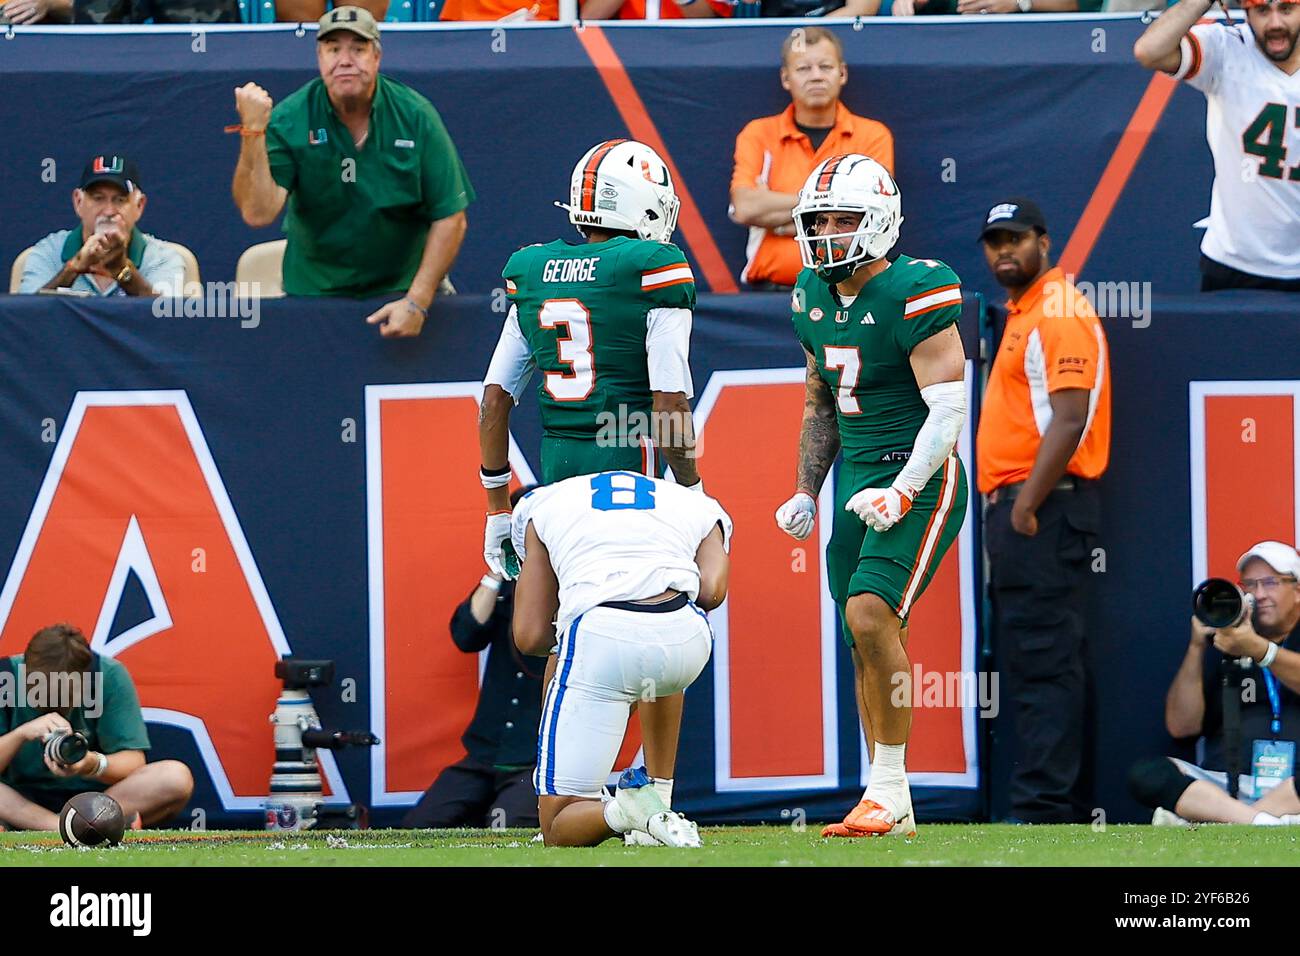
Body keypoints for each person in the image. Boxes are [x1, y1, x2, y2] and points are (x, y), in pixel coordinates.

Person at [478, 138, 700, 840]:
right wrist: (690, 487)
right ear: (643, 208)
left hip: (558, 483)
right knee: (664, 614)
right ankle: (655, 795)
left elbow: (493, 399)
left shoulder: (533, 269)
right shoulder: (654, 266)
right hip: (630, 474)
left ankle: (567, 789)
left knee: (548, 638)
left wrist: (494, 503)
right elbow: (669, 402)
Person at [773, 153, 969, 838]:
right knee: (865, 637)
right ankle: (888, 798)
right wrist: (805, 490)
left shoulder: (917, 290)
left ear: (881, 222)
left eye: (843, 218)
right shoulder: (809, 295)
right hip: (856, 475)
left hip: (921, 473)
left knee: (868, 612)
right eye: (818, 218)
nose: (826, 230)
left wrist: (904, 492)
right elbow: (820, 402)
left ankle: (887, 790)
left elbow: (947, 412)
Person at [976, 197, 1110, 824]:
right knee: (1046, 657)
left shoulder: (1057, 310)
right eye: (994, 241)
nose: (1004, 250)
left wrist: (1025, 508)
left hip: (1042, 508)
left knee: (1042, 660)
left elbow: (1072, 415)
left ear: (1044, 241)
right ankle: (1057, 804)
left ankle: (1043, 807)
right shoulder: (1026, 311)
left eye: (1016, 239)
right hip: (1030, 507)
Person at [510, 471, 731, 847]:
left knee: (558, 825)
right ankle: (661, 802)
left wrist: (575, 632)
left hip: (603, 635)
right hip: (685, 640)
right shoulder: (698, 505)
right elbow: (710, 594)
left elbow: (530, 636)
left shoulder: (539, 505)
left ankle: (627, 810)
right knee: (657, 666)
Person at [231, 6, 475, 335]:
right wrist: (254, 132)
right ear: (319, 58)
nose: (345, 60)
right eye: (333, 49)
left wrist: (418, 300)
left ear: (377, 57)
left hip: (402, 291)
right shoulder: (291, 118)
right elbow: (258, 213)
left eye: (358, 49)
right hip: (314, 296)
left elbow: (451, 216)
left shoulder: (415, 114)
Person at [402, 487, 545, 829]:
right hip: (483, 756)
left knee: (506, 829)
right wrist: (497, 569)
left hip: (535, 763)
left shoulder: (574, 588)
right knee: (419, 826)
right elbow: (466, 635)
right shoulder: (504, 588)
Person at [1134, 0, 1300, 292]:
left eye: (1286, 8)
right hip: (1235, 263)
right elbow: (1149, 51)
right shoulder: (1226, 49)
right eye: (1263, 10)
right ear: (1245, 12)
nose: (1275, 23)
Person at [1130, 542, 1300, 825]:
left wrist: (1260, 650)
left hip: (1292, 786)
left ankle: (1227, 822)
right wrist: (1198, 646)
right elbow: (1181, 728)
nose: (1259, 594)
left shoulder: (1252, 642)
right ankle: (1259, 823)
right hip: (1224, 788)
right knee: (1148, 773)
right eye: (1250, 584)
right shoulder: (1227, 639)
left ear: (1297, 590)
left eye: (1270, 583)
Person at [730, 28, 894, 289]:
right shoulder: (758, 133)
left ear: (842, 73)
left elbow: (876, 214)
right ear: (786, 77)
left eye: (825, 66)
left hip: (856, 292)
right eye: (804, 68)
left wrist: (786, 221)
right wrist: (833, 211)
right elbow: (745, 208)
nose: (816, 76)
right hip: (771, 295)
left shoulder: (873, 135)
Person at [0, 624, 194, 831]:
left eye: (64, 695)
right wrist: (21, 734)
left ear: (85, 679)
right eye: (41, 694)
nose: (54, 702)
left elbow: (134, 761)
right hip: (20, 799)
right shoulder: (6, 677)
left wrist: (89, 763)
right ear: (25, 674)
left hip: (95, 799)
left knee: (176, 777)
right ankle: (65, 827)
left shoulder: (109, 675)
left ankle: (76, 822)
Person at [18, 155, 184, 298]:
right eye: (98, 198)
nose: (109, 211)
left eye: (120, 200)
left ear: (139, 206)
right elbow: (25, 321)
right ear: (78, 202)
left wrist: (124, 272)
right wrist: (72, 269)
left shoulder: (162, 258)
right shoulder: (48, 252)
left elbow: (167, 323)